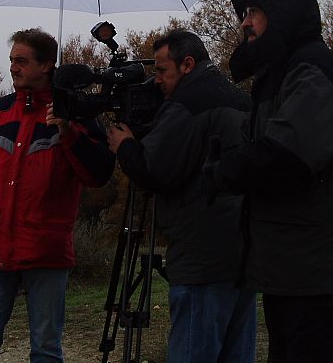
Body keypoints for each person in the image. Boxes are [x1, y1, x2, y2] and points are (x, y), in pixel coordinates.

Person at [203, 0, 333, 363]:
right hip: (293, 269)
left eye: (254, 12)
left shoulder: (312, 70)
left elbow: (287, 155)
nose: (245, 22)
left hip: (318, 274)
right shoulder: (282, 72)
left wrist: (225, 171)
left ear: (282, 13)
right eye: (244, 13)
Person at [0, 28, 115, 363]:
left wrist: (68, 132)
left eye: (22, 61)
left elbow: (98, 175)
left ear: (46, 65)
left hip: (46, 253)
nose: (13, 68)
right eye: (12, 60)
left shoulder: (75, 115)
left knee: (46, 351)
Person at [107, 29, 257, 363]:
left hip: (201, 256)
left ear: (187, 64)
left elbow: (154, 170)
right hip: (243, 252)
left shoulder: (188, 105)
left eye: (162, 70)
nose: (157, 80)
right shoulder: (239, 99)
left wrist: (125, 145)